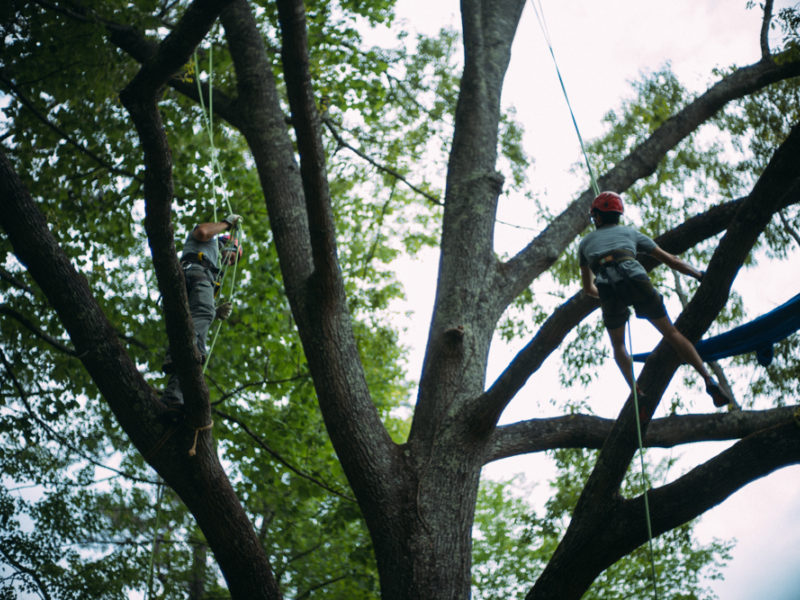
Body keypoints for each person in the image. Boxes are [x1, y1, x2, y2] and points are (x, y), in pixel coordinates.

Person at [578, 191, 731, 408]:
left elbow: (587, 288)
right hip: (637, 278)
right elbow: (671, 260)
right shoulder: (631, 233)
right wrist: (698, 274)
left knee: (619, 345)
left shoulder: (585, 244)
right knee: (672, 333)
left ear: (598, 217)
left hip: (607, 288)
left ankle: (635, 388)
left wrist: (605, 296)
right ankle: (707, 378)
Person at [162, 213, 242, 412]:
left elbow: (195, 313)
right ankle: (183, 354)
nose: (229, 263)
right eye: (231, 257)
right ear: (227, 245)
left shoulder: (213, 266)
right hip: (195, 274)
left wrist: (214, 313)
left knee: (195, 338)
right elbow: (202, 231)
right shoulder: (211, 243)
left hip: (186, 283)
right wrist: (226, 224)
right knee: (201, 331)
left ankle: (173, 398)